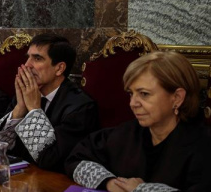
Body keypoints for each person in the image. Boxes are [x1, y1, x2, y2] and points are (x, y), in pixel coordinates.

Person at [65, 51, 211, 192]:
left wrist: (141, 189)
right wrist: (109, 182)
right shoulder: (126, 133)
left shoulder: (203, 145)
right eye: (131, 93)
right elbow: (76, 159)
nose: (133, 103)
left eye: (144, 94)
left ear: (177, 98)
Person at [0, 34, 98, 172]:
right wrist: (20, 108)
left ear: (59, 68)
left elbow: (51, 160)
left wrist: (34, 109)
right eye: (28, 57)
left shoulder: (81, 107)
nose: (27, 65)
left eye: (37, 58)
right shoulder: (25, 95)